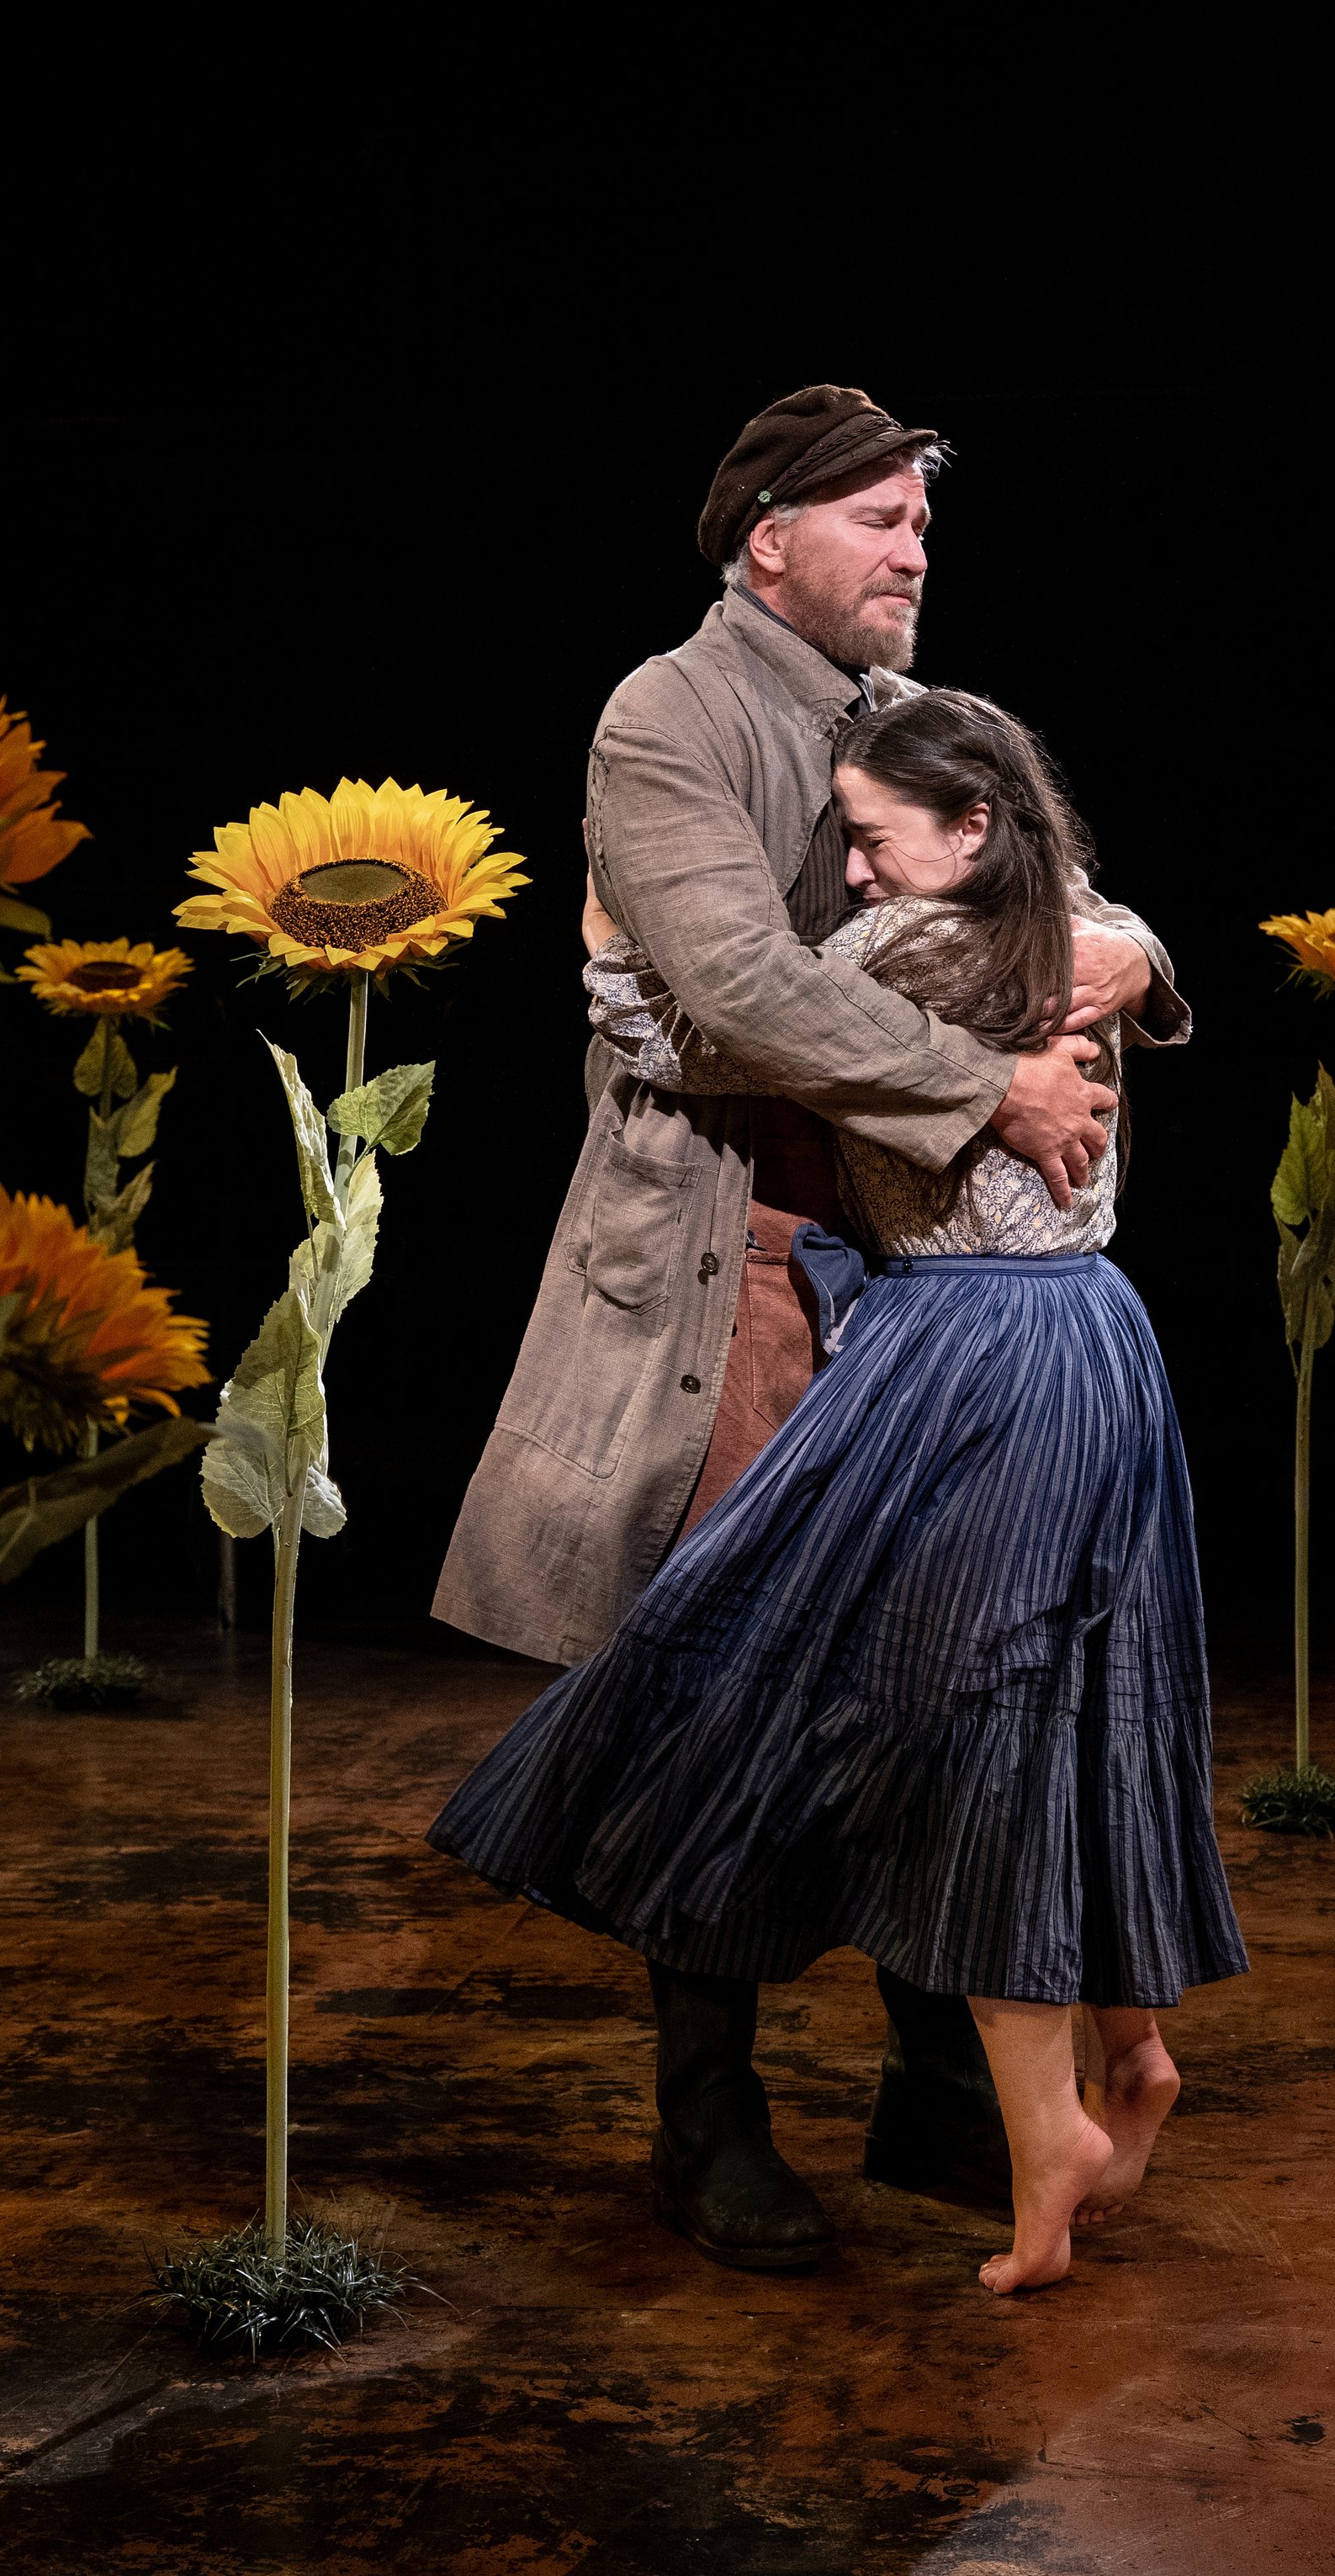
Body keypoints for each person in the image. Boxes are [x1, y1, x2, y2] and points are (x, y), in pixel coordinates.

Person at [431, 383, 1188, 2273]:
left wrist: (1124, 954)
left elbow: (1057, 877)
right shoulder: (668, 714)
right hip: (748, 1260)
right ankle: (708, 2118)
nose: (915, 548)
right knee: (726, 1668)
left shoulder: (907, 720)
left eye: (922, 521)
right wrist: (989, 1079)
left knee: (945, 1673)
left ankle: (939, 2093)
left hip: (926, 1279)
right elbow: (735, 985)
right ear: (770, 536)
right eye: (879, 518)